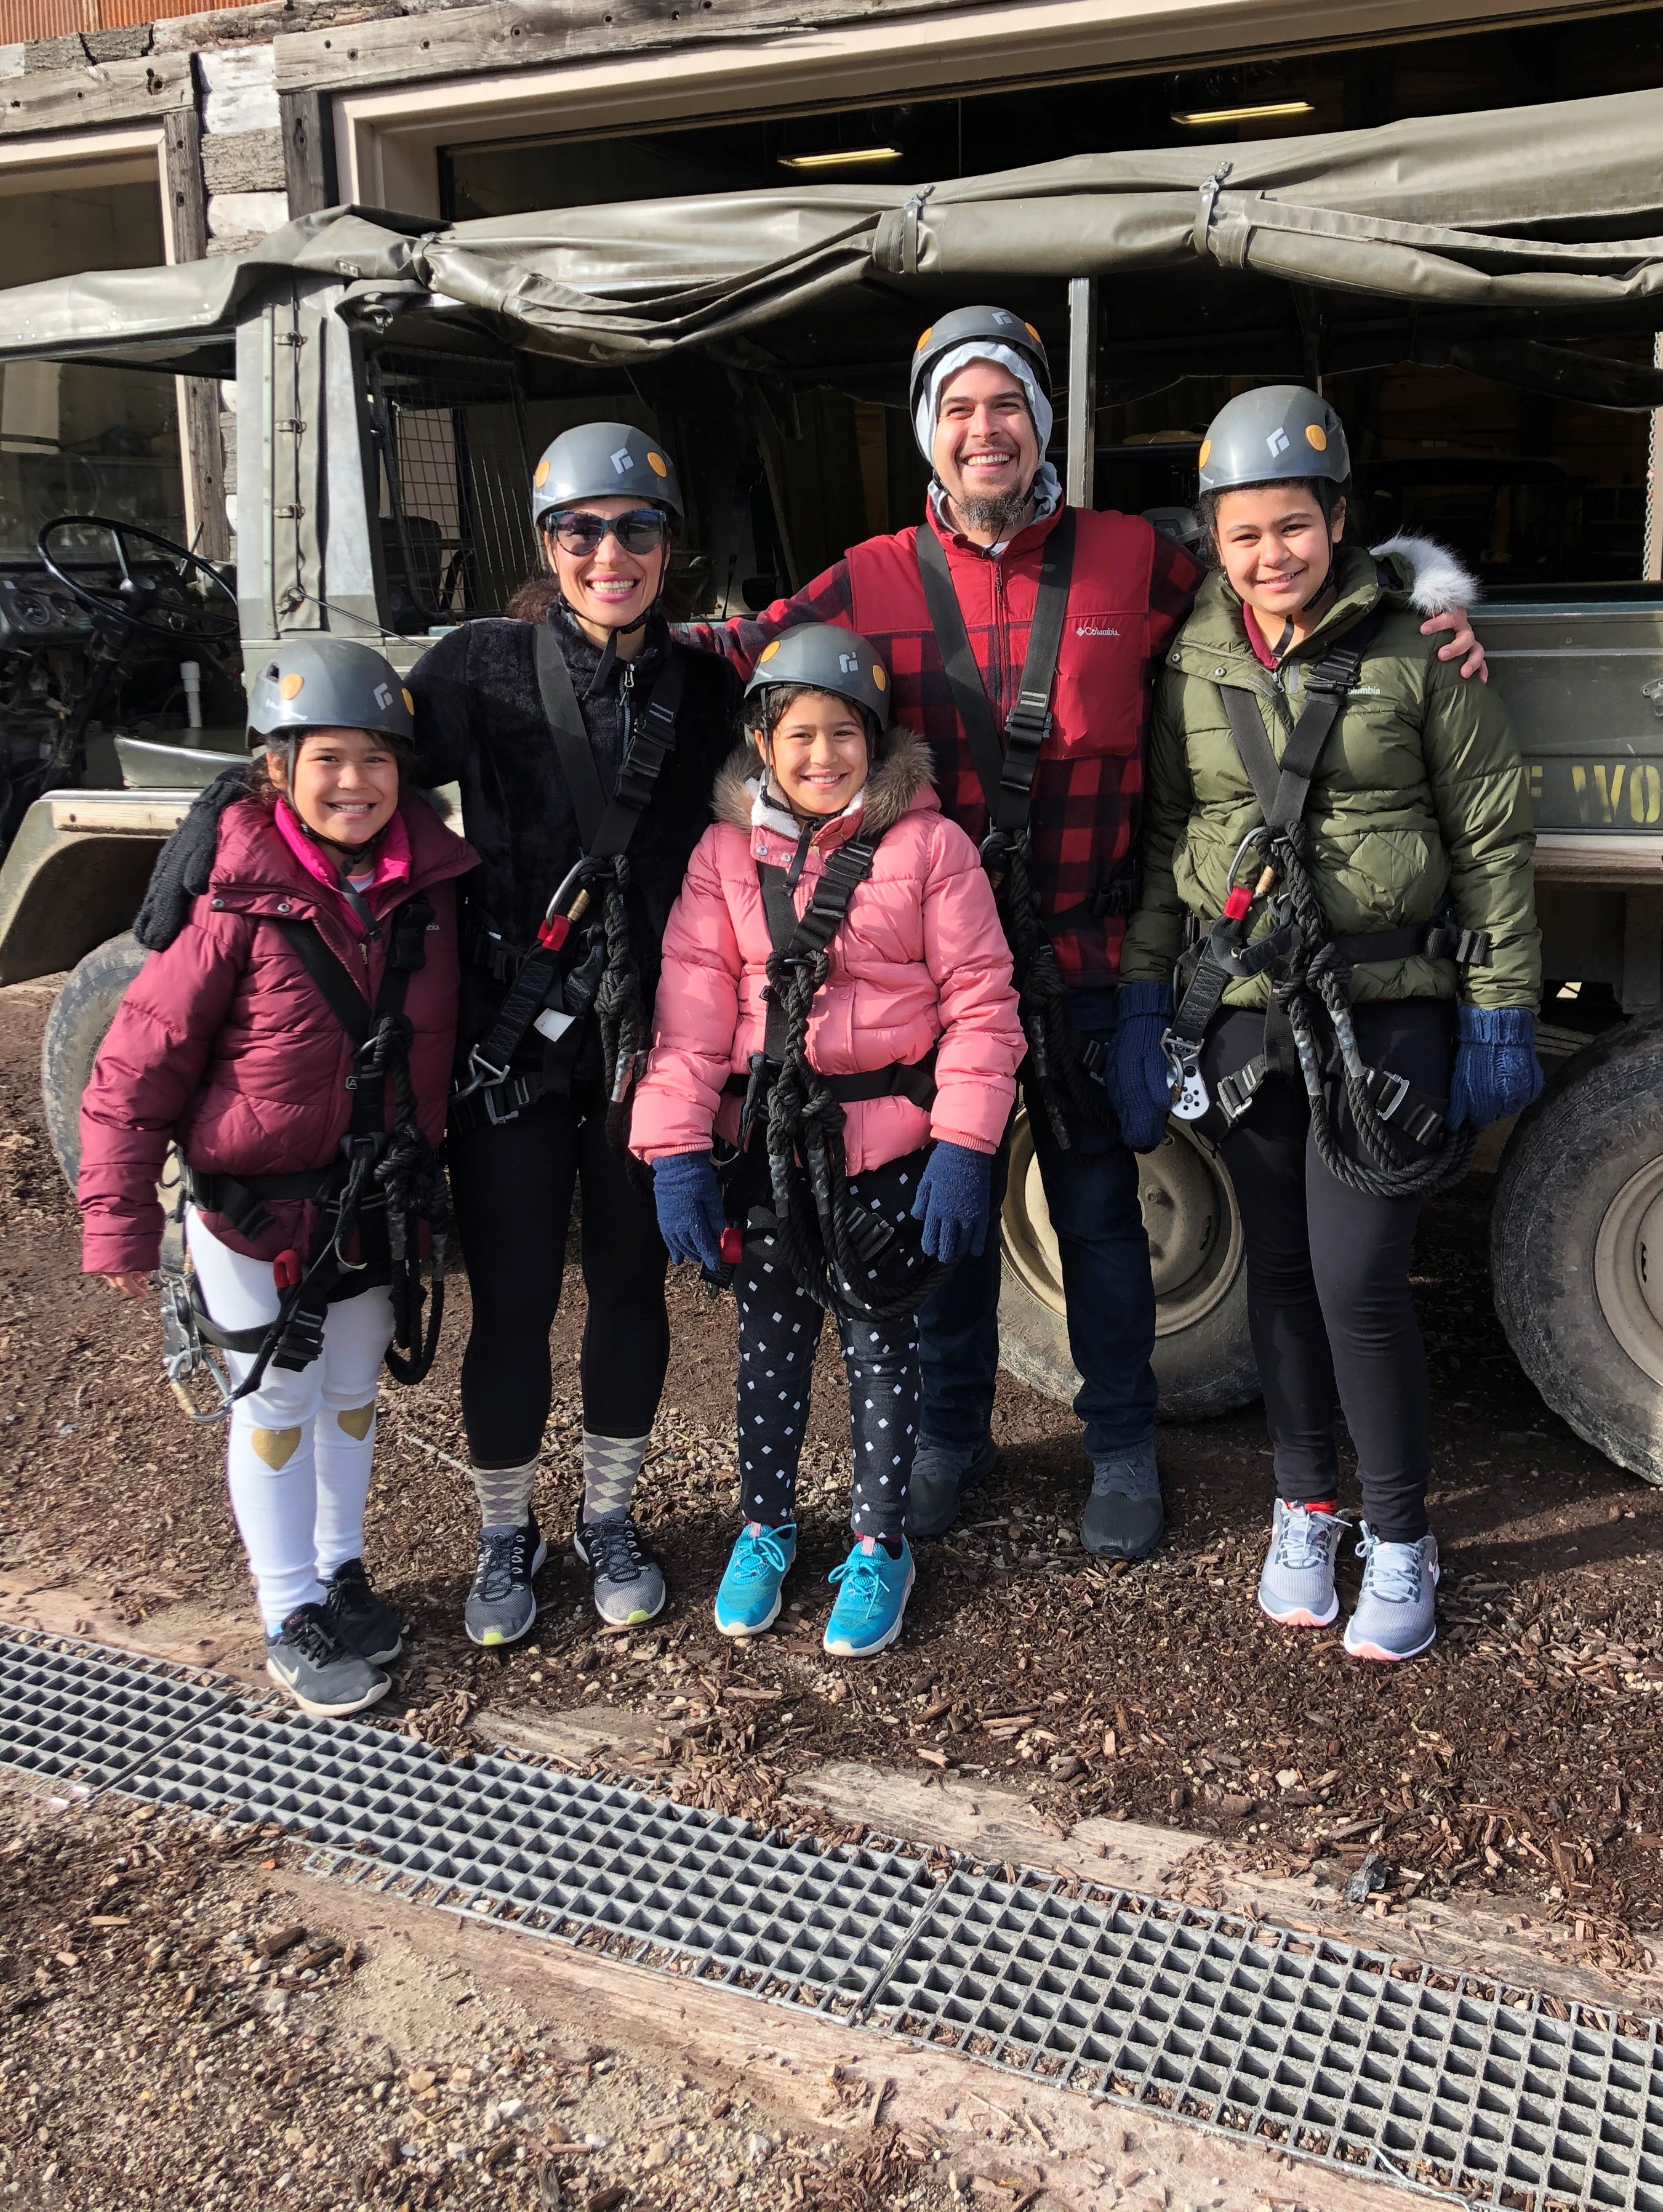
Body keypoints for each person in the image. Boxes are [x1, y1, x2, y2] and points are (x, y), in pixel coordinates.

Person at [680, 308, 1488, 1564]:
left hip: (1089, 962)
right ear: (928, 436)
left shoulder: (1134, 562)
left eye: (1007, 405)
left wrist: (1423, 602)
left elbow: (1281, 583)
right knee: (940, 1217)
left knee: (1102, 1218)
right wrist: (562, 649)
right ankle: (950, 1435)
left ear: (1042, 424)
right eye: (958, 410)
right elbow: (740, 658)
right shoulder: (869, 580)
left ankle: (1120, 1442)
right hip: (937, 976)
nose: (984, 431)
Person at [1117, 385, 1541, 1661]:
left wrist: (1501, 1007)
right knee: (1284, 1274)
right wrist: (1146, 995)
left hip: (1386, 1005)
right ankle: (1305, 1507)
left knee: (1360, 1277)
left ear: (1341, 519)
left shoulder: (1422, 649)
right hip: (1246, 1008)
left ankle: (1402, 1536)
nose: (1272, 555)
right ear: (1213, 537)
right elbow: (1169, 838)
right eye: (1245, 534)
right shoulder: (1189, 661)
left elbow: (1490, 838)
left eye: (1294, 526)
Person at [78, 642, 476, 1716]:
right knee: (275, 1403)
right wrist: (117, 1218)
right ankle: (287, 1605)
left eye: (376, 760)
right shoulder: (231, 902)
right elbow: (137, 1064)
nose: (355, 783)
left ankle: (341, 1572)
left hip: (372, 1201)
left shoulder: (431, 890)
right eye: (328, 760)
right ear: (277, 770)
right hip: (255, 1212)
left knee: (350, 1397)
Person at [408, 422, 742, 1647]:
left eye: (636, 529)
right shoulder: (480, 668)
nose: (611, 553)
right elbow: (346, 771)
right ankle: (506, 1532)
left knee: (629, 1288)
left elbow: (791, 814)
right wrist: (215, 842)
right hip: (515, 1041)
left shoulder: (709, 692)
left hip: (647, 1044)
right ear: (548, 544)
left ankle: (610, 1516)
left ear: (669, 545)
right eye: (582, 531)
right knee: (509, 1298)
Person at [631, 625, 1024, 1656]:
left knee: (884, 1351)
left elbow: (981, 1004)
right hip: (770, 1151)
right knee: (769, 1350)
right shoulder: (723, 858)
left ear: (876, 742)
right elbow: (690, 1017)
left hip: (890, 1150)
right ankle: (765, 1526)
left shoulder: (930, 850)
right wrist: (677, 1152)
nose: (822, 756)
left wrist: (965, 1145)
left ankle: (880, 1543)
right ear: (763, 744)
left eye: (844, 735)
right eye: (799, 735)